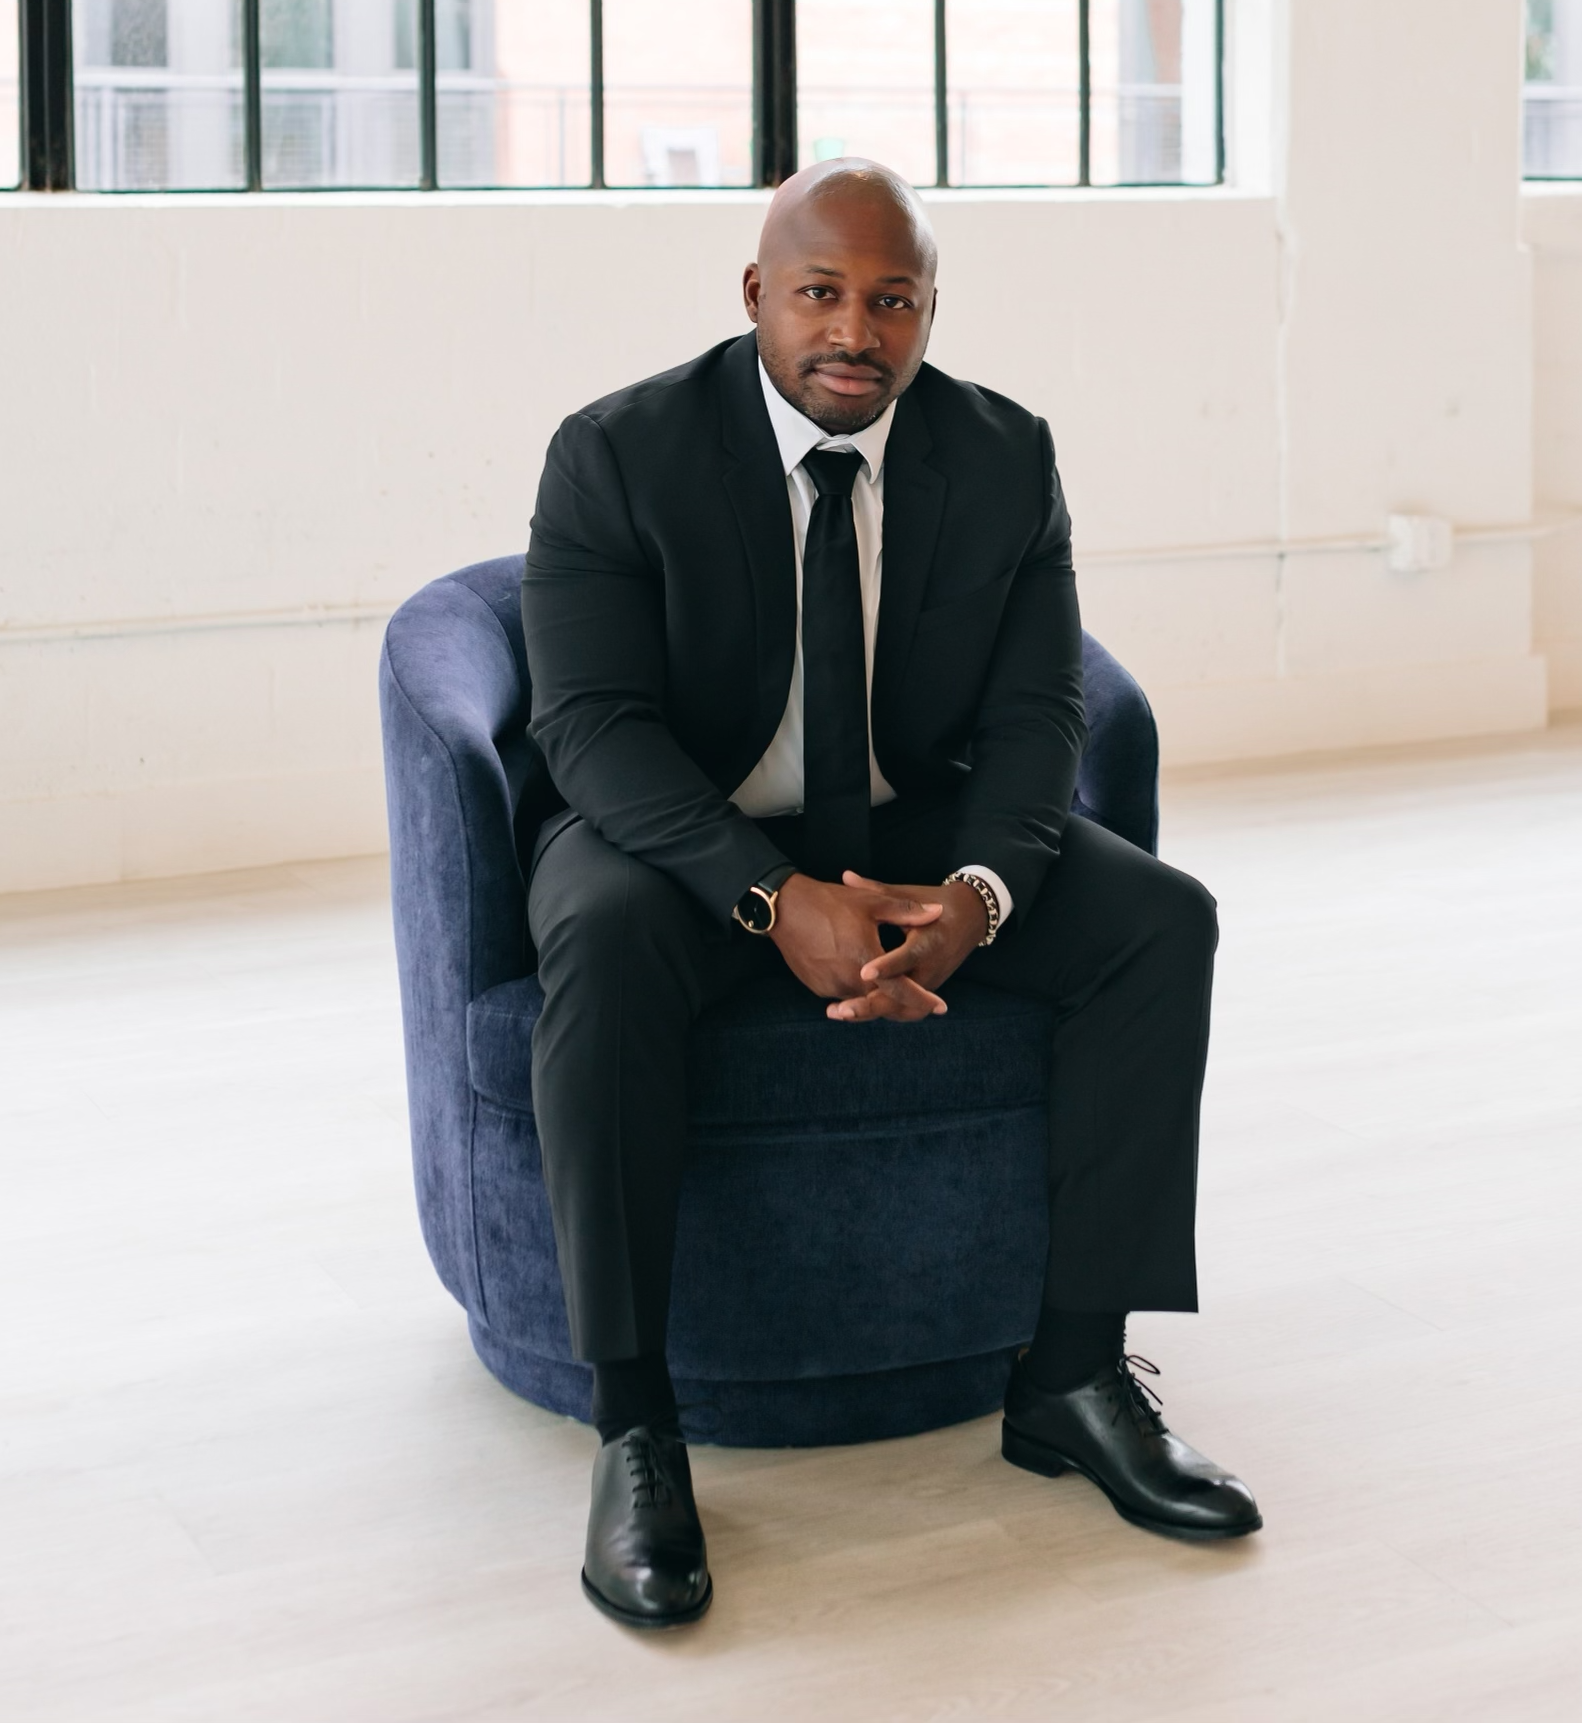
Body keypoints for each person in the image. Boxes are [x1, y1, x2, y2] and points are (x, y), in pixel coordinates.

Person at [520, 159, 1259, 1627]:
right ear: (755, 297)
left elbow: (1044, 709)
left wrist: (980, 892)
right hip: (682, 834)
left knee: (1158, 922)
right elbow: (590, 727)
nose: (854, 330)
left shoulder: (1000, 452)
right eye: (819, 293)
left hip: (911, 832)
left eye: (892, 299)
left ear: (927, 311)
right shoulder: (616, 452)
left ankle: (1069, 1376)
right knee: (597, 941)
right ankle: (635, 1426)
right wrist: (766, 897)